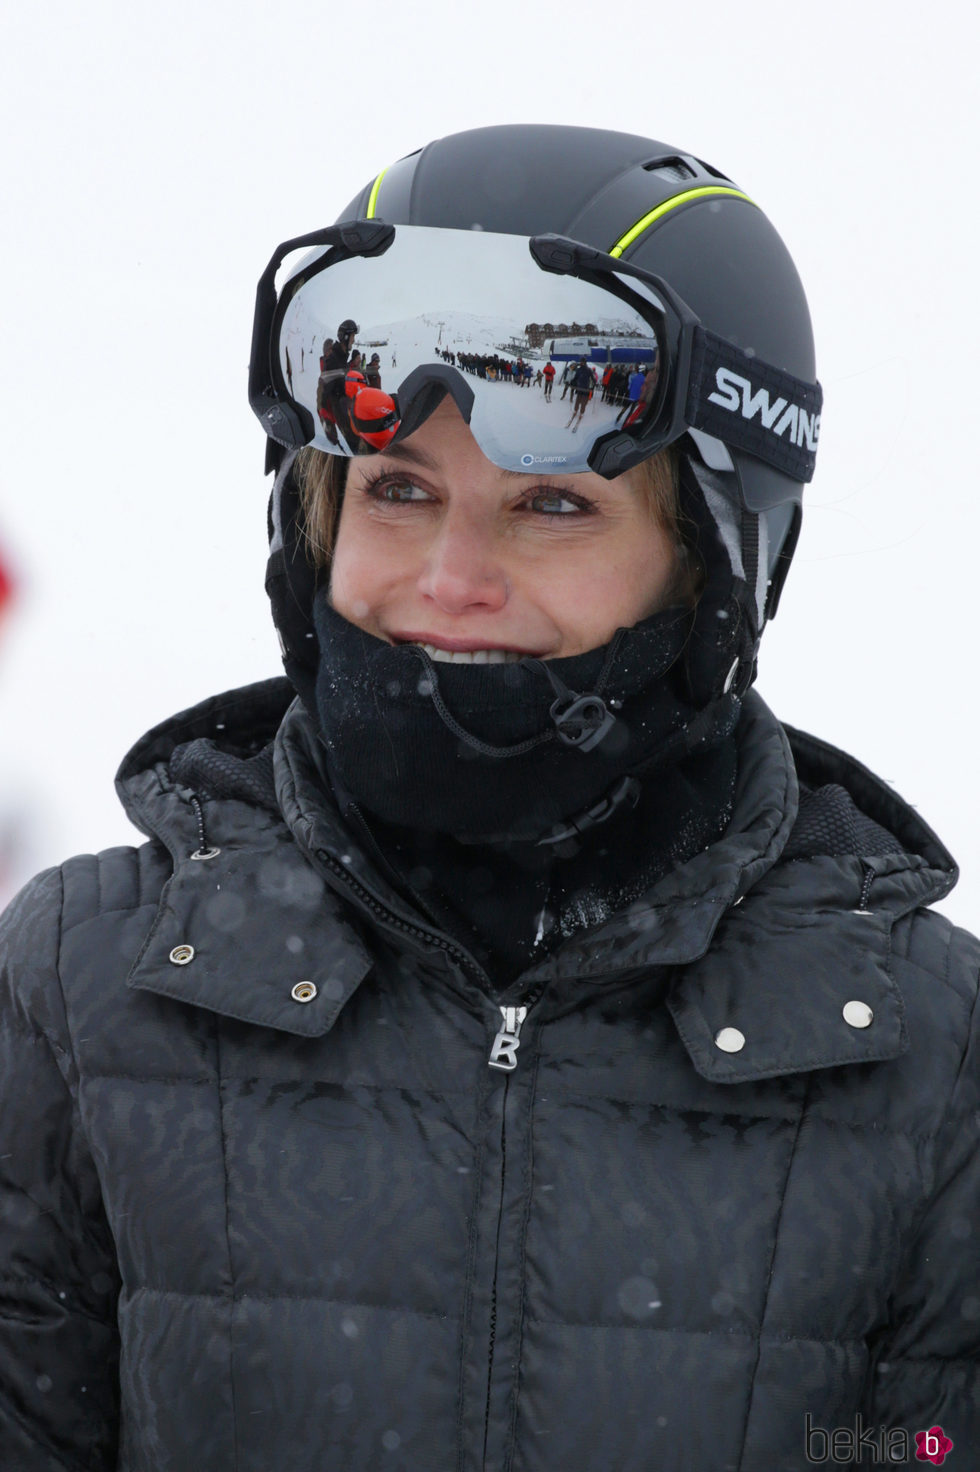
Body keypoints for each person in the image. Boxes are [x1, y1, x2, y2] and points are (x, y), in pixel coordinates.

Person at [1, 123, 978, 1472]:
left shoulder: (926, 1064)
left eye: (553, 507)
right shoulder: (85, 995)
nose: (451, 578)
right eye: (398, 489)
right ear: (311, 522)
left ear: (715, 570)